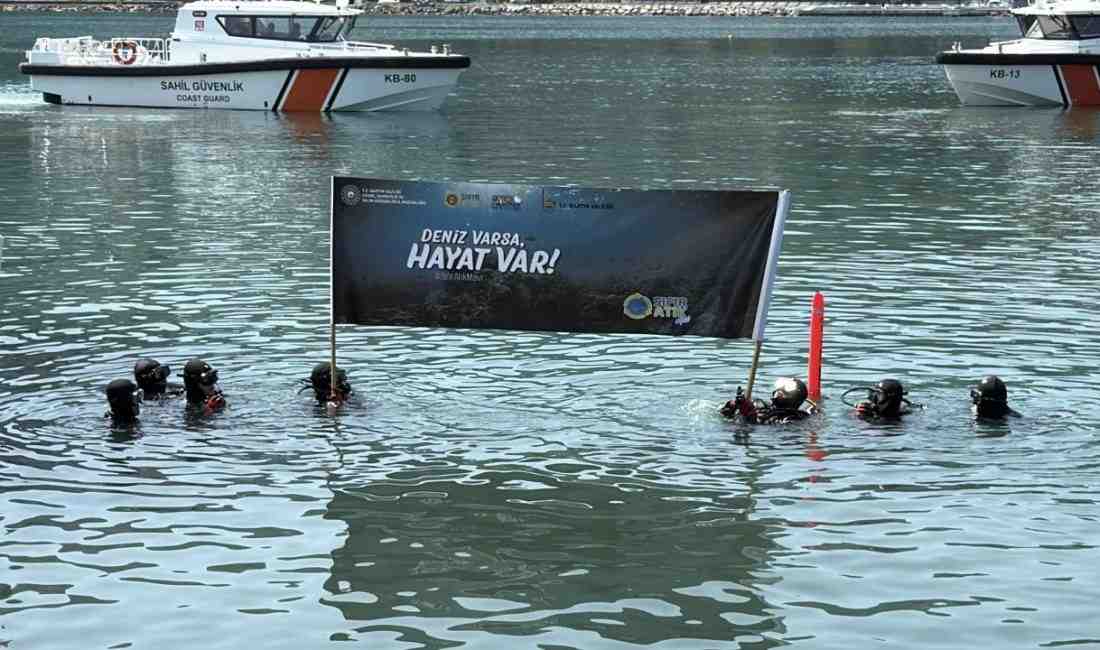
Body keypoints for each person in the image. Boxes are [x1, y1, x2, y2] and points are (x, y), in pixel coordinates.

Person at [721, 377, 817, 424]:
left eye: (782, 393)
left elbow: (758, 426)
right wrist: (733, 407)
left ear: (793, 399)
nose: (778, 393)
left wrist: (749, 414)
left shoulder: (792, 418)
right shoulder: (761, 404)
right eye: (778, 390)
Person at [849, 378, 915, 420]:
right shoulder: (867, 411)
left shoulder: (903, 416)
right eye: (875, 392)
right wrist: (858, 414)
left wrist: (864, 418)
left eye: (878, 393)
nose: (874, 397)